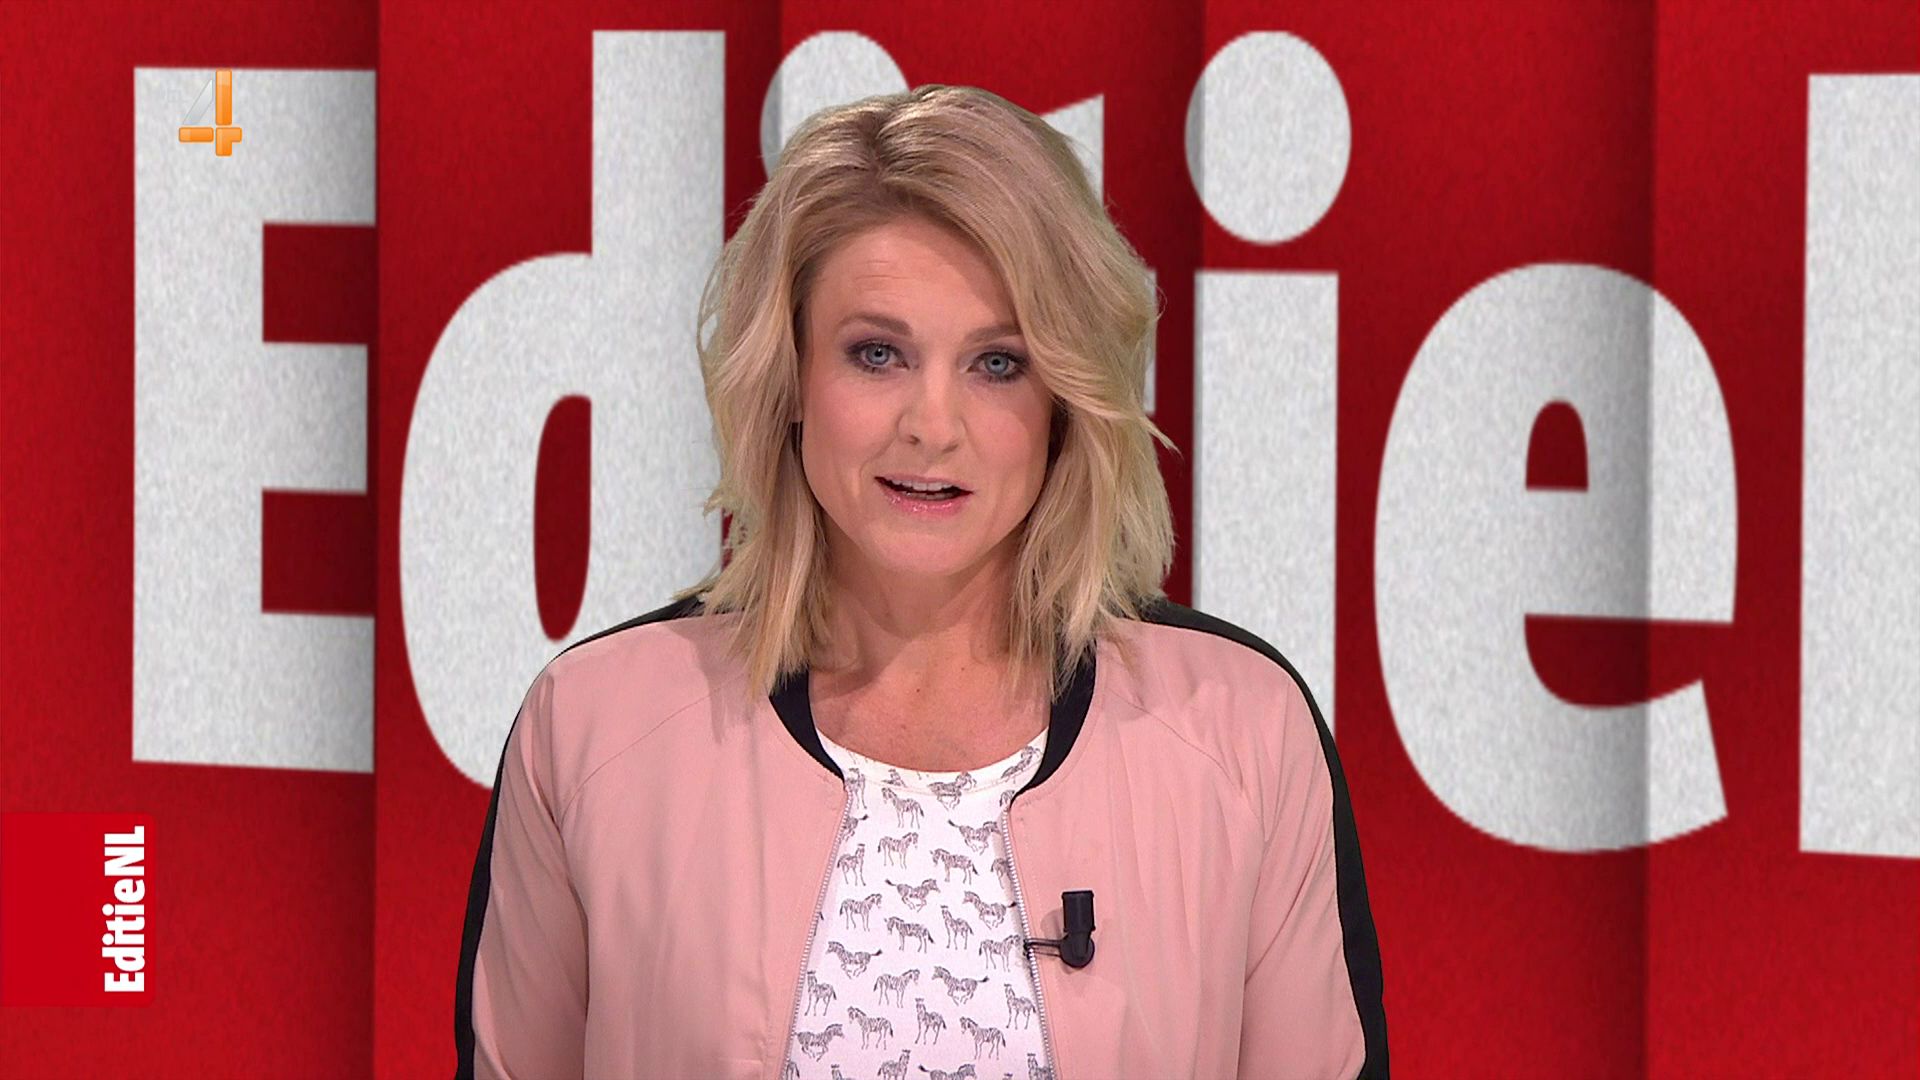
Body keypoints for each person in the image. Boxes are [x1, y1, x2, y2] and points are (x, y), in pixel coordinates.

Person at [454, 83, 1387, 1080]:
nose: (932, 427)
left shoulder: (1243, 732)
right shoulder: (593, 727)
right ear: (791, 380)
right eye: (878, 354)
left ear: (1067, 399)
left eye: (997, 364)